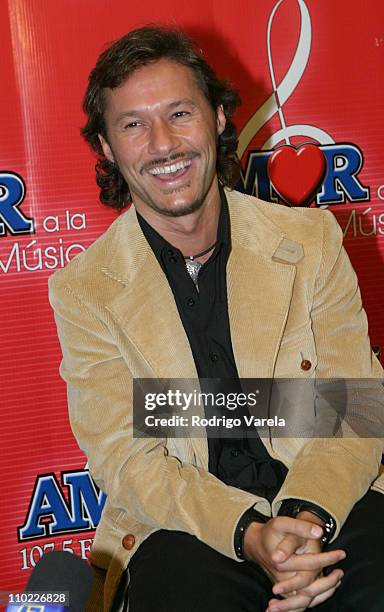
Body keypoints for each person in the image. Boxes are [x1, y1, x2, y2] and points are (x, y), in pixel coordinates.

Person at [48, 26, 384, 612]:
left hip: (327, 497)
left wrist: (303, 523)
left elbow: (356, 408)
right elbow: (129, 461)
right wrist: (251, 533)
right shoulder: (84, 292)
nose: (163, 144)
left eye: (180, 113)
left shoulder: (313, 242)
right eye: (133, 124)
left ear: (221, 118)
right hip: (188, 522)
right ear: (105, 147)